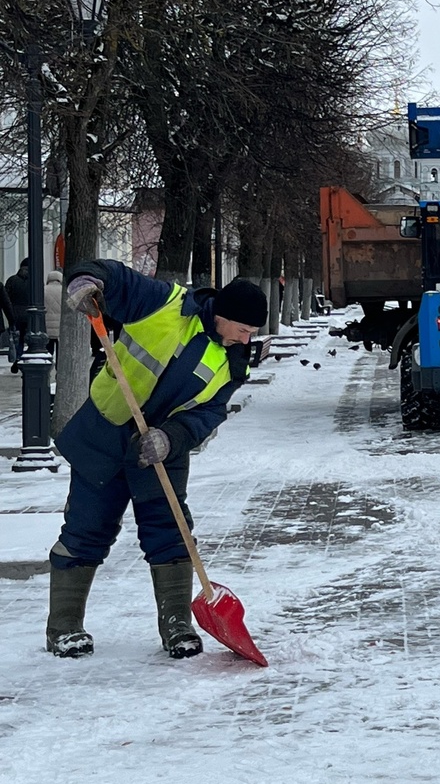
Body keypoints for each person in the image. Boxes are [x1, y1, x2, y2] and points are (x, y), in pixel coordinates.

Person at [45, 259, 266, 660]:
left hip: (161, 453)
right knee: (85, 529)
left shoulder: (233, 362)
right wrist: (88, 280)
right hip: (106, 434)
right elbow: (117, 279)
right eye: (244, 329)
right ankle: (64, 627)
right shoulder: (167, 305)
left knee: (171, 534)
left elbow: (208, 413)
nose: (247, 339)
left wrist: (171, 437)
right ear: (224, 316)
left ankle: (177, 627)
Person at [5, 257, 30, 372]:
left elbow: (6, 297)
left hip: (15, 314)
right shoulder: (34, 281)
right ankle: (26, 358)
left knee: (17, 339)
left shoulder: (12, 280)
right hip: (30, 314)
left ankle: (17, 357)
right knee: (29, 338)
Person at [43, 270, 62, 367]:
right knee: (60, 349)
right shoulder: (64, 290)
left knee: (48, 348)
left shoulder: (43, 290)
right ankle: (59, 367)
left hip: (47, 325)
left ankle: (47, 366)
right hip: (60, 325)